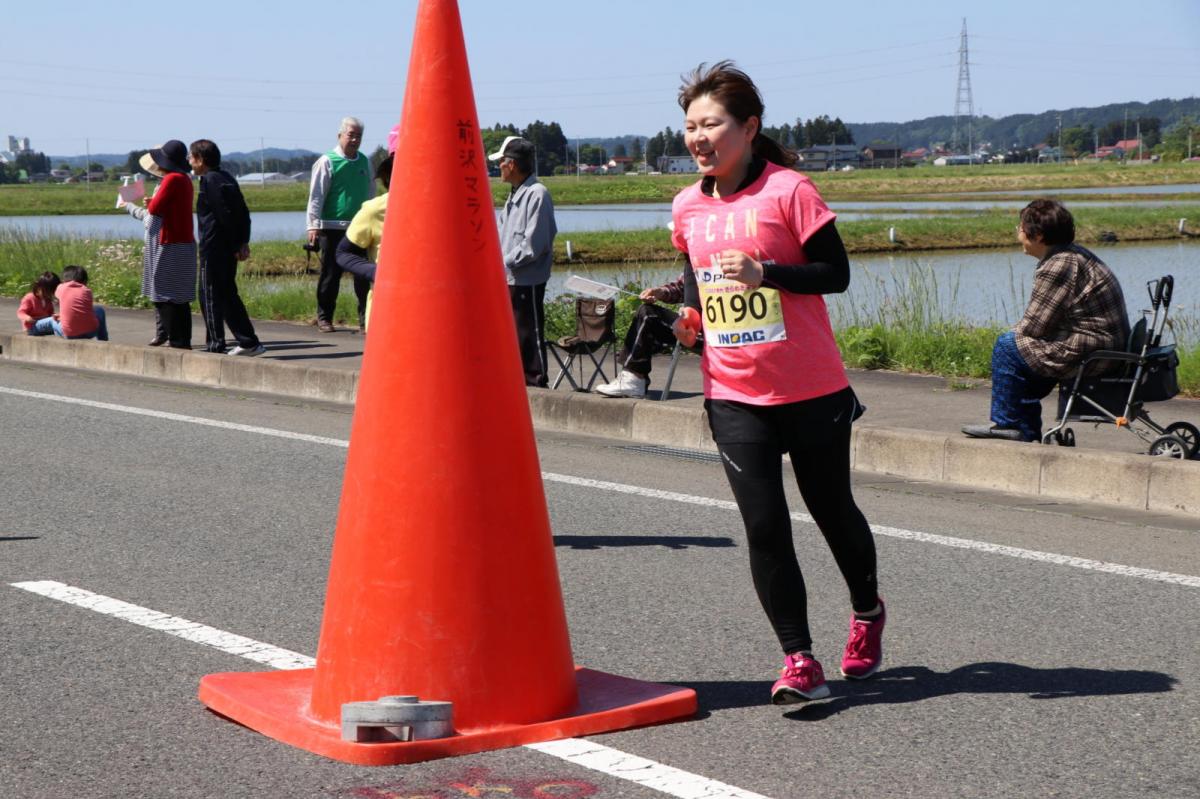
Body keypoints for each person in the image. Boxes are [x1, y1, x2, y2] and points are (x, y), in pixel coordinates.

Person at [669, 62, 884, 705]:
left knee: (831, 509)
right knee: (764, 526)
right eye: (689, 127)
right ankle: (798, 659)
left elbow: (835, 274)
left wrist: (769, 273)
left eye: (712, 124)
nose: (699, 137)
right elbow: (696, 282)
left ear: (748, 127)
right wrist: (689, 317)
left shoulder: (790, 191)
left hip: (811, 387)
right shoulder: (685, 207)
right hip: (733, 393)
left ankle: (868, 612)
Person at [962, 199, 1129, 443]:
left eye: (1020, 228)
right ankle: (1024, 431)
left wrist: (1012, 337)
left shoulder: (1058, 265)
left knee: (1007, 346)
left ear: (1037, 235)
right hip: (1102, 345)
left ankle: (1009, 424)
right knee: (1020, 350)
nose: (1018, 233)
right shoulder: (1073, 255)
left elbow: (1034, 327)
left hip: (1093, 352)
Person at [489, 135, 557, 387]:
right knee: (514, 335)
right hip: (510, 277)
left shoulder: (537, 194)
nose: (498, 167)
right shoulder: (515, 193)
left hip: (527, 279)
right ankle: (518, 383)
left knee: (530, 335)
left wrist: (502, 262)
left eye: (501, 162)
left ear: (513, 164)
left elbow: (534, 245)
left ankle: (537, 382)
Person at [188, 139, 265, 356]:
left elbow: (224, 215)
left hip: (214, 248)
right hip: (228, 247)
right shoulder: (227, 177)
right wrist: (242, 242)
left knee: (209, 296)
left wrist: (236, 244)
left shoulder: (209, 180)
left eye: (191, 157)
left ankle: (216, 344)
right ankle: (248, 341)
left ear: (201, 160)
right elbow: (243, 213)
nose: (189, 161)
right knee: (227, 294)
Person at [124, 140, 196, 349]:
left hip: (170, 241)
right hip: (184, 241)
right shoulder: (185, 178)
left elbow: (154, 209)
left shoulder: (171, 179)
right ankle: (182, 340)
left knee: (164, 293)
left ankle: (176, 340)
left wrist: (141, 203)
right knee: (179, 296)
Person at [307, 117, 374, 333]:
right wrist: (313, 226)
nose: (354, 139)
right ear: (340, 136)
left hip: (359, 228)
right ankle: (324, 317)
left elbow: (371, 193)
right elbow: (316, 196)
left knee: (364, 276)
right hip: (332, 227)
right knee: (330, 275)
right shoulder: (327, 161)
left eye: (358, 136)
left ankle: (366, 320)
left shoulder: (365, 161)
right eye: (350, 135)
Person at [593, 272, 701, 399]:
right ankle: (634, 378)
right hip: (688, 328)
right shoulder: (695, 260)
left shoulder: (725, 262)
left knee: (648, 315)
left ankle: (634, 379)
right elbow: (681, 288)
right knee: (647, 312)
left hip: (712, 335)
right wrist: (658, 292)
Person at [335, 151, 394, 333]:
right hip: (387, 309)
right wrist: (378, 272)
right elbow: (343, 253)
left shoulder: (446, 206)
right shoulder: (375, 209)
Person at [30, 265, 108, 341]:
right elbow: (81, 311)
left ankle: (32, 330)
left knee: (50, 321)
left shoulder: (61, 288)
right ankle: (103, 340)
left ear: (64, 280)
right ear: (85, 281)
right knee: (99, 310)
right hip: (91, 332)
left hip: (69, 334)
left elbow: (66, 305)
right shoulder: (87, 291)